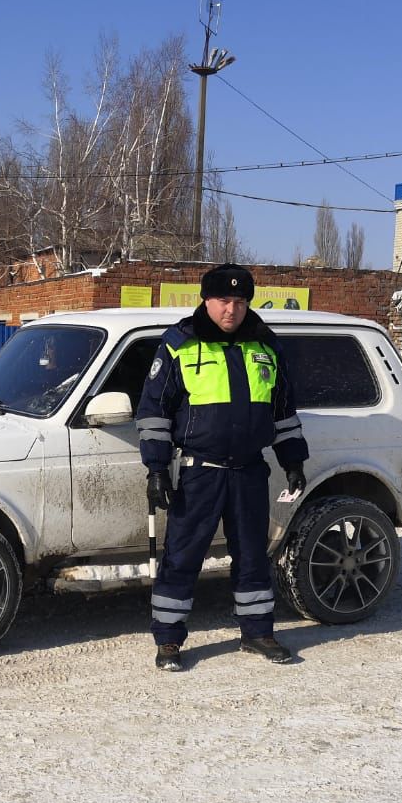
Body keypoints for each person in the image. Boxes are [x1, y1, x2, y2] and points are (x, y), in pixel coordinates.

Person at [136, 264, 308, 672]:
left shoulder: (266, 345)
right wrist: (157, 468)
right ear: (206, 300)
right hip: (201, 472)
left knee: (252, 555)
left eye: (240, 301)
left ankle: (258, 633)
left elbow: (283, 411)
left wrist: (294, 460)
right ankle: (168, 641)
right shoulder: (179, 343)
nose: (231, 309)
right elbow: (154, 412)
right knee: (182, 555)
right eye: (223, 301)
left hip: (250, 471)